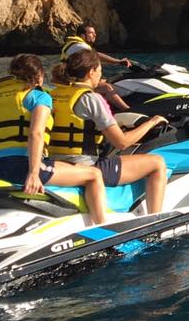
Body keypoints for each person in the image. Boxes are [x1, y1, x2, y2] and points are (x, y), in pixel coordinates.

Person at [0, 54, 108, 224]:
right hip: (21, 167)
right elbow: (36, 134)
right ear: (39, 75)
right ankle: (104, 230)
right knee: (94, 175)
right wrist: (34, 174)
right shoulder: (40, 97)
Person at [48, 49, 168, 214]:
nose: (100, 76)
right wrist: (152, 122)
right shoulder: (92, 99)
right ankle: (155, 219)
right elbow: (122, 142)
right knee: (157, 163)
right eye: (99, 71)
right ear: (91, 72)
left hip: (56, 164)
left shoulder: (53, 94)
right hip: (85, 164)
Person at [60, 22, 132, 111]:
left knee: (107, 82)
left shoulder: (75, 45)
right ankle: (127, 110)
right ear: (82, 36)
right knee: (107, 88)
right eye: (91, 33)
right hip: (73, 82)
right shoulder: (79, 46)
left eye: (95, 33)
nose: (94, 35)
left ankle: (107, 109)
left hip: (73, 79)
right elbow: (97, 56)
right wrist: (118, 61)